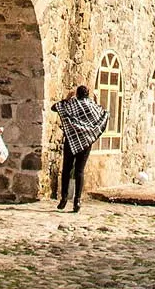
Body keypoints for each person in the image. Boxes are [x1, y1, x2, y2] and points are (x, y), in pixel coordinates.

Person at [51, 85, 107, 213]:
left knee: (66, 169)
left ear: (77, 94)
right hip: (86, 142)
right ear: (88, 95)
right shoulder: (93, 106)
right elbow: (103, 115)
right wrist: (96, 101)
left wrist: (66, 98)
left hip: (71, 141)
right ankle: (77, 200)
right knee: (79, 171)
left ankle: (64, 198)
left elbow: (54, 107)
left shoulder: (71, 104)